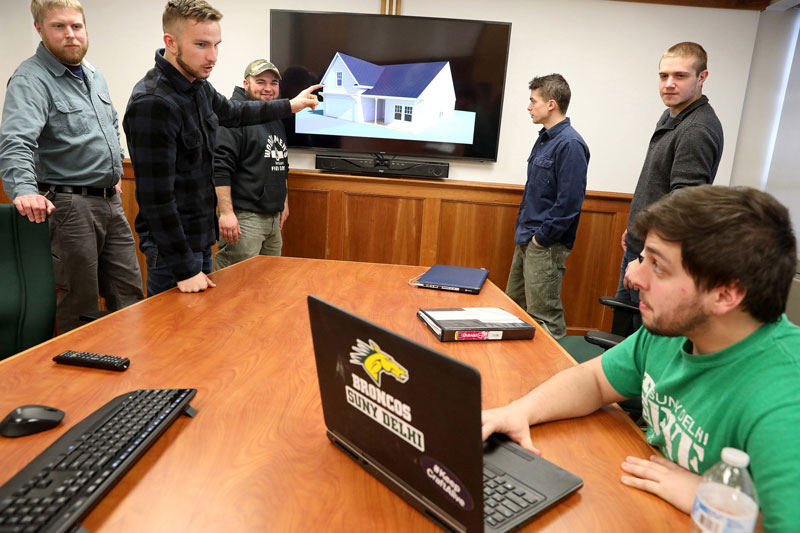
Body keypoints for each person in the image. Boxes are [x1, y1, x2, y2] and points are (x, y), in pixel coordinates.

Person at [483, 185, 800, 531]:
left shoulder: (785, 399)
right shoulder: (673, 330)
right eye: (641, 259)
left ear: (725, 294)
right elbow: (593, 381)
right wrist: (520, 411)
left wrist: (710, 498)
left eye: (658, 267)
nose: (632, 276)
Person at [123, 0, 320, 296]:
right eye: (202, 44)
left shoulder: (198, 85)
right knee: (174, 338)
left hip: (201, 239)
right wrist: (185, 269)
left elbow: (235, 112)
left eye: (216, 45)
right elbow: (156, 200)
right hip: (173, 254)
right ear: (171, 42)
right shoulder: (153, 103)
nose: (212, 56)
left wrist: (291, 106)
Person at [0, 0, 143, 332]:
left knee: (130, 294)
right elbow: (16, 141)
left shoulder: (94, 75)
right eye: (59, 27)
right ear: (40, 29)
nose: (70, 35)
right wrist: (23, 190)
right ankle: (72, 382)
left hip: (110, 201)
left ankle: (134, 373)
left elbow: (110, 126)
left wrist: (117, 171)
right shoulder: (31, 79)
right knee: (80, 304)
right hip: (69, 206)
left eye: (76, 26)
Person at [617, 42, 723, 327]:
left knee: (636, 347)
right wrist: (637, 226)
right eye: (664, 76)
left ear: (702, 77)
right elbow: (658, 186)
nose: (669, 84)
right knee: (624, 340)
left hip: (652, 260)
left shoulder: (696, 129)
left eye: (680, 76)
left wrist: (645, 256)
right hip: (642, 248)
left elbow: (682, 205)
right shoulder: (674, 115)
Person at [505, 74, 589, 339]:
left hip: (545, 245)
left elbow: (569, 204)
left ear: (551, 104)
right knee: (512, 309)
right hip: (527, 238)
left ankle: (552, 378)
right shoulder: (545, 139)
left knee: (545, 321)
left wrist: (540, 240)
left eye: (533, 101)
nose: (529, 107)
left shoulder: (570, 144)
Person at [214, 59, 289, 269]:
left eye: (273, 83)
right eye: (261, 81)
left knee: (269, 287)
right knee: (235, 289)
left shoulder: (274, 116)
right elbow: (220, 166)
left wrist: (284, 202)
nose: (268, 88)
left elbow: (281, 162)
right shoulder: (233, 116)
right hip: (244, 219)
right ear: (246, 84)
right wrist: (227, 213)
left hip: (273, 219)